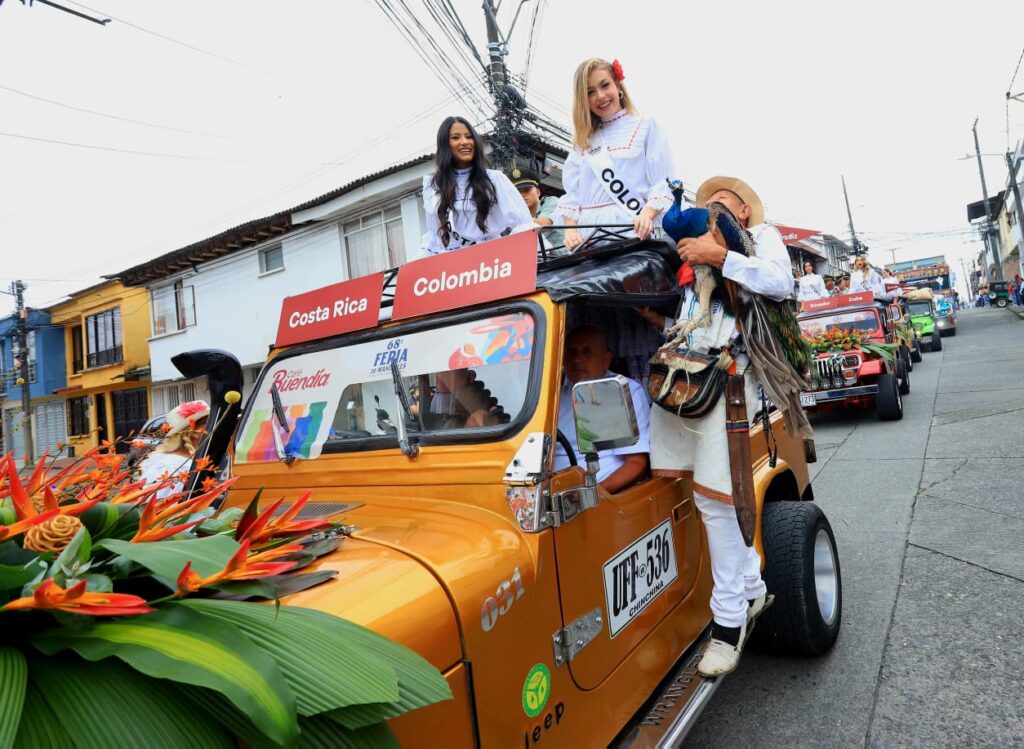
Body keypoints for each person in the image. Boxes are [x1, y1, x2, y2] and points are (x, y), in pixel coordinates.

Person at [647, 176, 795, 677]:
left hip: (725, 377)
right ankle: (751, 589)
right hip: (680, 374)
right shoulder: (692, 239)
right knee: (692, 489)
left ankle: (728, 624)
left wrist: (719, 256)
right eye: (709, 202)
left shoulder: (762, 237)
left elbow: (780, 283)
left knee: (716, 500)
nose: (714, 207)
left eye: (726, 204)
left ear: (745, 214)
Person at [558, 58, 675, 251]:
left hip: (633, 234)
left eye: (605, 85)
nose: (601, 96)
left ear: (618, 85)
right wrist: (570, 230)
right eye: (590, 92)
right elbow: (572, 195)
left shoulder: (646, 126)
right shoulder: (583, 142)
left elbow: (662, 183)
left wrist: (646, 214)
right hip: (588, 239)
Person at [552, 326, 650, 493]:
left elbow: (636, 463)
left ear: (606, 359)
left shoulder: (623, 391)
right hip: (554, 495)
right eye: (571, 353)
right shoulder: (554, 397)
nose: (576, 360)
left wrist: (593, 495)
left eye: (586, 352)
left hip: (606, 496)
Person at [420, 116, 534, 257]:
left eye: (469, 137)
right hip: (453, 267)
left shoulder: (494, 179)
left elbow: (523, 224)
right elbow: (434, 235)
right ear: (445, 145)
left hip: (492, 261)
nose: (465, 142)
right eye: (456, 138)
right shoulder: (433, 185)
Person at [137, 400, 210, 498]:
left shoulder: (193, 457)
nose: (213, 425)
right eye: (206, 422)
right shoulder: (171, 465)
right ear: (192, 431)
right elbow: (158, 503)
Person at [509, 167, 564, 251]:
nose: (522, 195)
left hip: (565, 259)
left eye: (526, 190)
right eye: (518, 192)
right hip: (537, 261)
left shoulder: (551, 202)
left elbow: (543, 223)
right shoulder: (516, 215)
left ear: (538, 192)